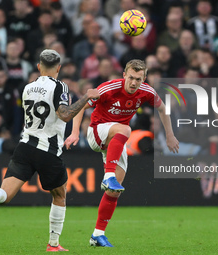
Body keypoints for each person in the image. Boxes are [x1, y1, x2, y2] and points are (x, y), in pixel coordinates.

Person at [0, 49, 100, 252]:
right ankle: (53, 244)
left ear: (38, 66)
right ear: (59, 68)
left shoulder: (28, 87)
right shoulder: (60, 86)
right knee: (59, 195)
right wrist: (85, 98)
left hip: (24, 147)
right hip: (48, 150)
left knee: (7, 193)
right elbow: (64, 115)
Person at [64, 59, 179, 247]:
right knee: (125, 130)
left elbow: (162, 108)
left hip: (115, 141)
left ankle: (97, 235)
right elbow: (81, 107)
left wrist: (170, 135)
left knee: (114, 191)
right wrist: (75, 132)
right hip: (97, 132)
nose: (134, 83)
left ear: (144, 78)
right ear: (124, 75)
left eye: (139, 79)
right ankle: (108, 175)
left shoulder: (147, 91)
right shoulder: (108, 88)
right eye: (131, 78)